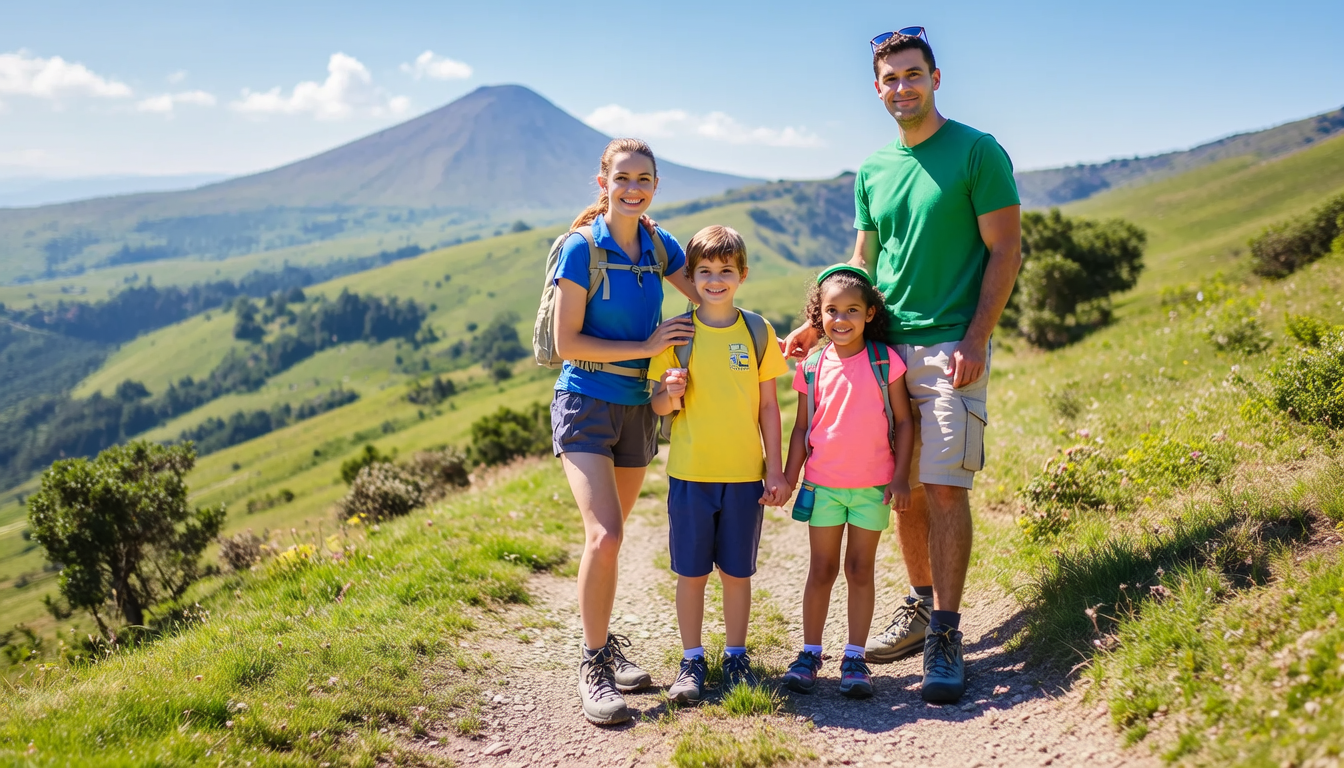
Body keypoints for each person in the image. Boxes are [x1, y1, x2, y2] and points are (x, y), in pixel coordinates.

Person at [784, 28, 1022, 704]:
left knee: (946, 486)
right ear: (878, 87)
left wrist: (977, 338)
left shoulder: (978, 152)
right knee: (907, 487)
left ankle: (946, 633)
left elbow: (1005, 250)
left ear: (936, 78)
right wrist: (814, 324)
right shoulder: (873, 169)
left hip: (951, 346)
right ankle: (921, 607)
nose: (902, 88)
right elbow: (863, 262)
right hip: (884, 350)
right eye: (890, 79)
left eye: (913, 75)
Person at [550, 138, 702, 725]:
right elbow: (567, 342)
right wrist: (646, 346)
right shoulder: (579, 250)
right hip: (585, 400)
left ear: (656, 187)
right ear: (603, 183)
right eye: (623, 179)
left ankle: (605, 646)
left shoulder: (660, 245)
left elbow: (712, 295)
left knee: (613, 536)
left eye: (644, 179)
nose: (633, 188)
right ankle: (592, 665)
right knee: (605, 537)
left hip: (640, 407)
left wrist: (775, 334)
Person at [648, 225, 791, 704]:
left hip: (745, 475)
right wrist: (668, 394)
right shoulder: (677, 333)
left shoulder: (757, 331)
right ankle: (691, 659)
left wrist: (775, 469)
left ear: (742, 275)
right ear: (690, 276)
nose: (714, 280)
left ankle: (735, 656)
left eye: (725, 271)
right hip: (690, 474)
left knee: (737, 573)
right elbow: (659, 407)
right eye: (704, 271)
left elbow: (769, 407)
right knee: (690, 573)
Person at [778, 265, 914, 699]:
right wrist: (789, 476)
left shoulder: (884, 361)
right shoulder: (812, 367)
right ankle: (810, 653)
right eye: (831, 311)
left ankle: (854, 657)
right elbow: (801, 429)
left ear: (870, 313)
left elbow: (906, 423)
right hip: (823, 486)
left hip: (873, 487)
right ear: (818, 316)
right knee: (821, 568)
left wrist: (901, 478)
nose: (841, 319)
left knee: (859, 569)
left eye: (852, 310)